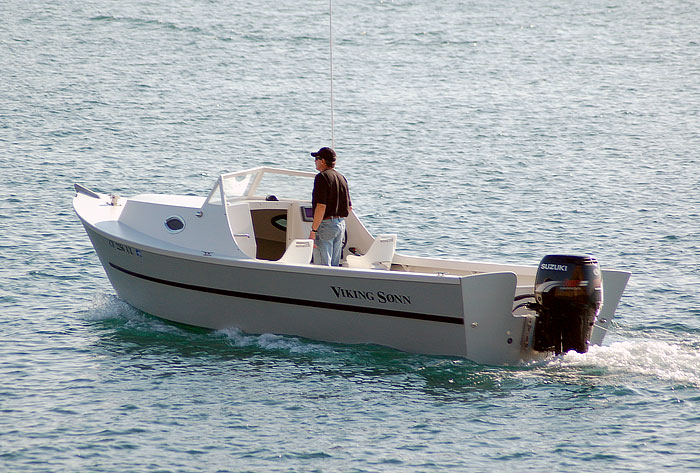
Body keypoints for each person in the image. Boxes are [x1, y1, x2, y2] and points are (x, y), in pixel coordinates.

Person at [308, 147, 352, 266]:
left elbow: (321, 206)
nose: (315, 161)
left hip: (326, 225)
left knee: (323, 266)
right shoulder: (342, 178)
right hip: (340, 225)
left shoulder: (321, 177)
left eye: (316, 158)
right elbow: (349, 207)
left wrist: (313, 230)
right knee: (334, 264)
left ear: (323, 161)